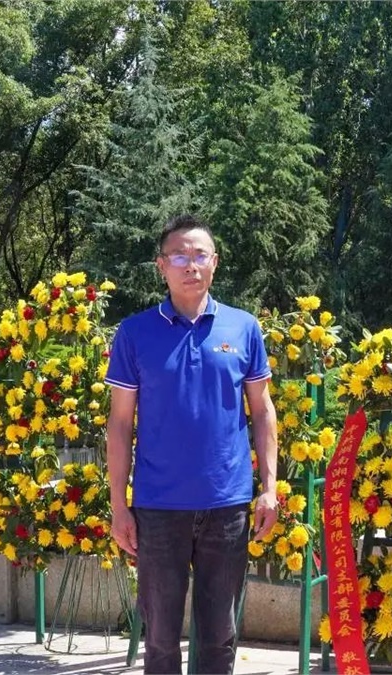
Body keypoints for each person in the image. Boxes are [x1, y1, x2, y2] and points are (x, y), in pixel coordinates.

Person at [105, 214, 279, 675]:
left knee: (219, 635)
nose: (191, 265)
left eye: (200, 255)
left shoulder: (243, 328)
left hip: (227, 504)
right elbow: (119, 424)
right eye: (179, 256)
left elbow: (263, 411)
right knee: (160, 638)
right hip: (159, 508)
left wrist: (269, 489)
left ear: (215, 263)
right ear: (161, 265)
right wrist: (119, 506)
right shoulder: (135, 333)